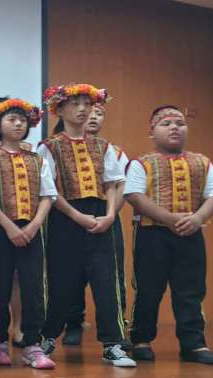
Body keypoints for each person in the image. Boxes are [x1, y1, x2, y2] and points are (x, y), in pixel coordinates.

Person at [38, 84, 135, 367]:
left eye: (87, 104)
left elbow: (114, 183)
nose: (82, 109)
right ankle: (48, 336)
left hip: (100, 213)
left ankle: (113, 343)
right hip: (65, 216)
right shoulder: (49, 147)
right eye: (75, 103)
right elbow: (49, 190)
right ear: (60, 109)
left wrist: (109, 214)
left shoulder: (104, 146)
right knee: (61, 279)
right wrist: (77, 216)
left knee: (106, 280)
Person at [125, 106, 213, 364]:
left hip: (191, 234)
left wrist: (198, 218)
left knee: (191, 290)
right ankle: (141, 340)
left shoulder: (202, 162)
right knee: (149, 289)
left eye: (180, 123)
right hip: (152, 234)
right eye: (166, 123)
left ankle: (193, 344)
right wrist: (169, 219)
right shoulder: (142, 163)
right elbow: (134, 196)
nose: (174, 127)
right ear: (152, 132)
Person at [0, 98, 56, 369]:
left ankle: (32, 344)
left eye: (22, 119)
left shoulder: (37, 160)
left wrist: (34, 225)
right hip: (0, 230)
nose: (18, 123)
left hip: (32, 230)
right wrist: (10, 227)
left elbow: (48, 195)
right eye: (11, 119)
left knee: (34, 287)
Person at [62, 102, 130, 348]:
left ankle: (117, 329)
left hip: (106, 216)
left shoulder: (113, 150)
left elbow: (120, 185)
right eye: (89, 111)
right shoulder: (58, 147)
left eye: (99, 113)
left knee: (111, 275)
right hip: (72, 216)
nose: (93, 116)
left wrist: (109, 215)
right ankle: (73, 324)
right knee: (72, 273)